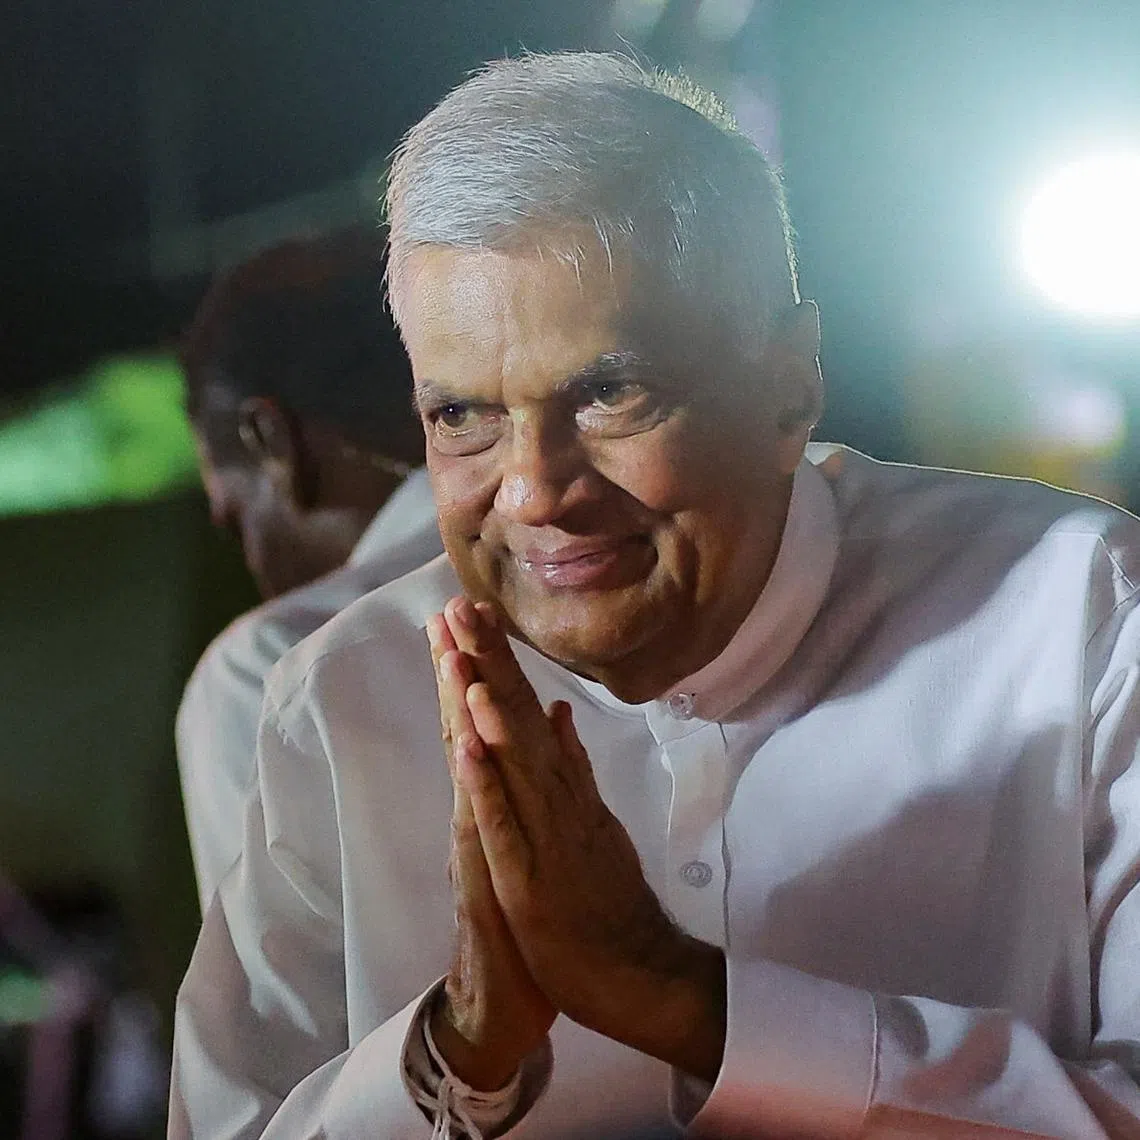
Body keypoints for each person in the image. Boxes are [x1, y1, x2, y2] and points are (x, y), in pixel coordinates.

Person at [169, 53, 1140, 1138]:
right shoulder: (344, 698)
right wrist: (456, 1050)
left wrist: (683, 1000)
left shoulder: (1081, 620)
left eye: (608, 392)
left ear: (789, 386)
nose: (535, 492)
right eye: (463, 418)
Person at [176, 229, 441, 913]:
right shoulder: (593, 564)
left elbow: (276, 1015)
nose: (253, 559)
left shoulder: (272, 667)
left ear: (273, 441)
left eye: (234, 518)